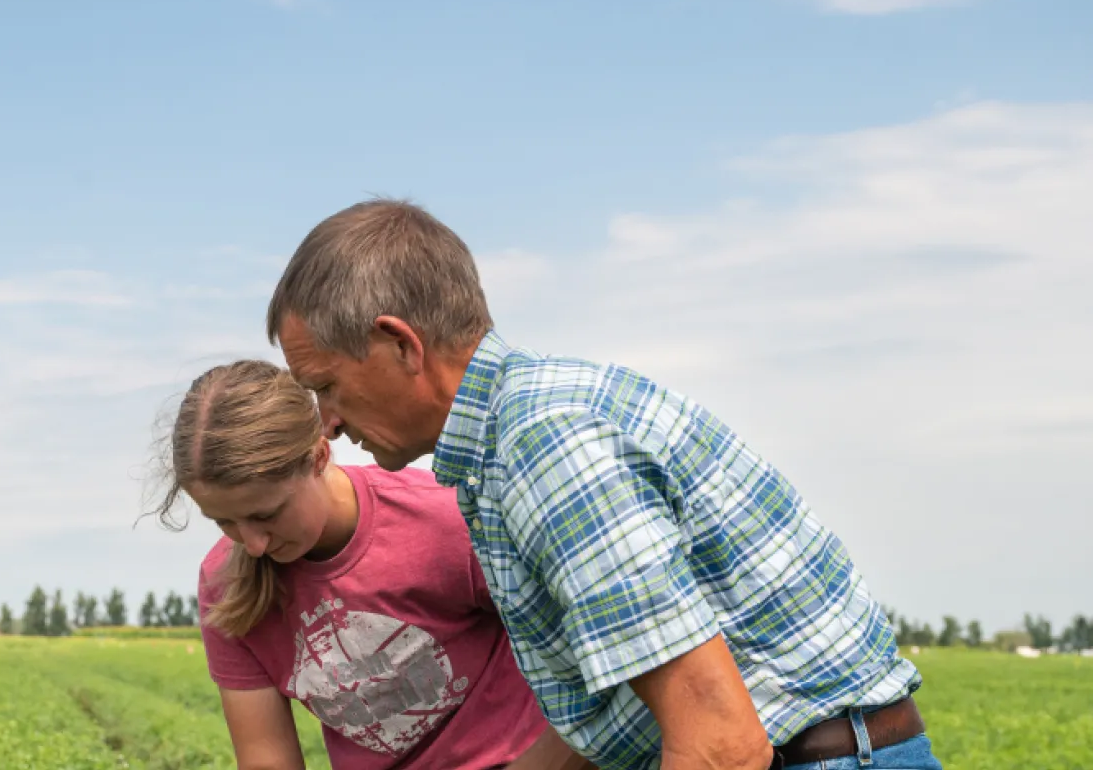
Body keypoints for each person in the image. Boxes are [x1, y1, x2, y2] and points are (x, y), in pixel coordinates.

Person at [262, 198, 940, 770]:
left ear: (401, 344)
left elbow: (720, 742)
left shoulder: (545, 448)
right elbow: (616, 711)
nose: (331, 424)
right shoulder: (515, 436)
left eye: (326, 385)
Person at [150, 359, 597, 770]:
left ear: (319, 457)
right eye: (224, 521)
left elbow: (593, 670)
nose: (253, 544)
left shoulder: (446, 520)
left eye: (266, 515)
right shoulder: (225, 584)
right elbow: (267, 758)